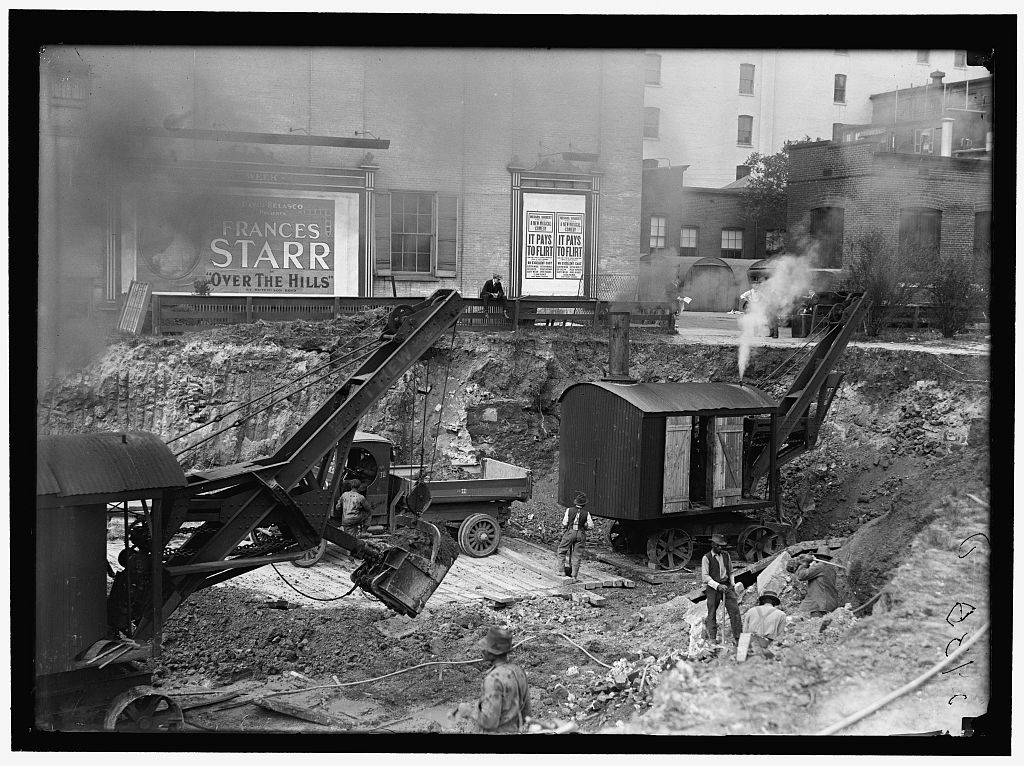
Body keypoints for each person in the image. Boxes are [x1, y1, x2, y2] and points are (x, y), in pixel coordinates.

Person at [453, 626, 531, 733]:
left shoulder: (493, 679)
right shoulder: (519, 672)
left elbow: (489, 722)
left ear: (494, 652)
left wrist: (469, 711)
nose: (483, 650)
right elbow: (527, 715)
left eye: (486, 648)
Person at [702, 534, 742, 645]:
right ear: (712, 544)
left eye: (722, 546)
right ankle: (713, 639)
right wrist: (717, 586)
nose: (720, 548)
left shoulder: (726, 555)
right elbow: (705, 577)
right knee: (711, 613)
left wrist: (732, 584)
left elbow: (730, 571)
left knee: (735, 611)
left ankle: (738, 639)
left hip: (727, 586)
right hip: (713, 588)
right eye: (718, 546)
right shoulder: (706, 558)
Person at [793, 545, 840, 617]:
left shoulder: (820, 566)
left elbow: (801, 576)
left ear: (818, 557)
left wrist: (805, 563)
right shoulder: (831, 568)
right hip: (828, 603)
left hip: (819, 604)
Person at [556, 491, 594, 579]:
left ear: (575, 502)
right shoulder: (586, 513)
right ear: (584, 504)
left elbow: (564, 523)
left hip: (570, 532)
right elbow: (591, 526)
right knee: (577, 555)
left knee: (562, 550)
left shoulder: (569, 510)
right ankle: (574, 575)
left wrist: (568, 526)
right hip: (580, 534)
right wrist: (584, 527)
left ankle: (561, 571)